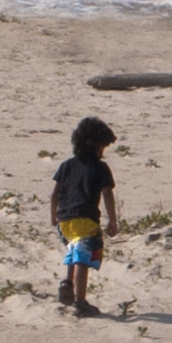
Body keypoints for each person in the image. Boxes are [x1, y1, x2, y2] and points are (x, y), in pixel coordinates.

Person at [50, 117, 119, 317]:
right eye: (103, 146)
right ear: (96, 145)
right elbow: (107, 193)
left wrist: (54, 216)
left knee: (74, 249)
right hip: (85, 219)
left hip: (65, 220)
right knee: (83, 259)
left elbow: (54, 193)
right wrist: (113, 220)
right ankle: (80, 302)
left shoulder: (67, 165)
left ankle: (67, 282)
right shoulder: (100, 168)